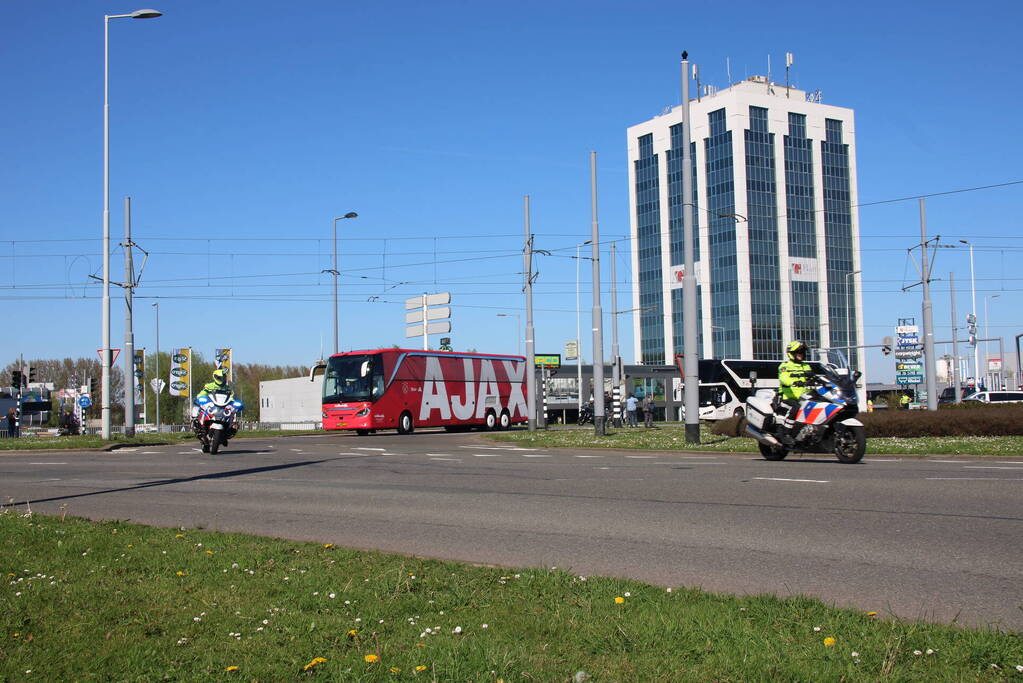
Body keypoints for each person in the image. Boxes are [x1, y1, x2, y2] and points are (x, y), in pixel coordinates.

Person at [777, 340, 814, 444]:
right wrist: (794, 382)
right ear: (792, 354)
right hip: (788, 397)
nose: (801, 355)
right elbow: (784, 378)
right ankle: (786, 433)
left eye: (802, 352)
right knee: (796, 407)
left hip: (804, 397)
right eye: (798, 352)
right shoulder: (785, 366)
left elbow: (812, 377)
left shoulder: (806, 366)